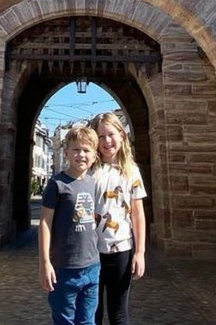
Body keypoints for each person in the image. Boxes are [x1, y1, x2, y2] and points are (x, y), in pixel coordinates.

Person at [89, 112, 147, 325]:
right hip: (90, 251)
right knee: (91, 312)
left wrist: (140, 252)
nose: (106, 141)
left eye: (111, 134)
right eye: (101, 136)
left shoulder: (131, 172)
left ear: (122, 135)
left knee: (119, 313)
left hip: (121, 250)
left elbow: (138, 213)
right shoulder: (89, 170)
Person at [40, 127, 101, 325]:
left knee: (88, 321)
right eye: (76, 149)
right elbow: (45, 222)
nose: (81, 154)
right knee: (64, 321)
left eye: (86, 150)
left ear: (94, 156)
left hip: (92, 266)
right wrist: (44, 263)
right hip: (64, 267)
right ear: (66, 152)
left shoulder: (94, 183)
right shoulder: (56, 184)